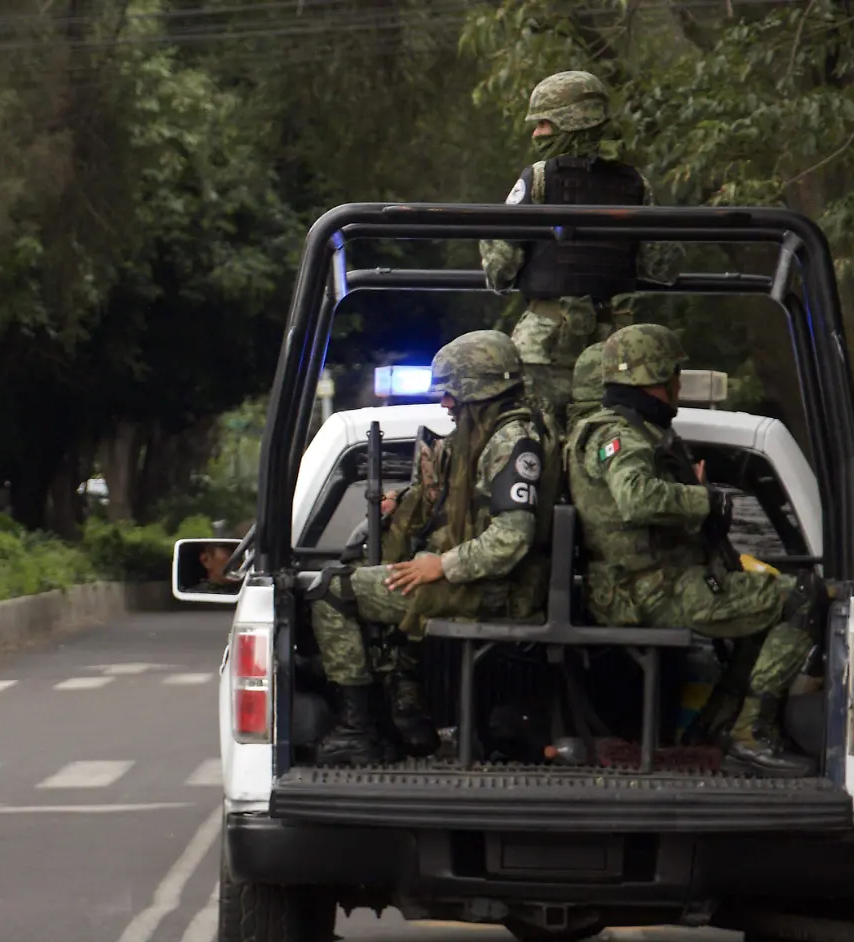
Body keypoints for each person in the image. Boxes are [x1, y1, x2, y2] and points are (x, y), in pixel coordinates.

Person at [566, 324, 819, 776]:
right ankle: (751, 734)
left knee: (764, 606)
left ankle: (716, 730)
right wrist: (707, 498)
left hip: (652, 584)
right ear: (655, 377)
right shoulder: (618, 435)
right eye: (675, 374)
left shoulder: (634, 430)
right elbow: (637, 497)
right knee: (803, 600)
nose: (679, 385)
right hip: (647, 591)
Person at [308, 331, 550, 765]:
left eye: (452, 394)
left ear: (478, 390)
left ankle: (359, 730)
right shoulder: (485, 436)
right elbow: (449, 502)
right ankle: (407, 720)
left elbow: (512, 537)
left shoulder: (512, 441)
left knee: (334, 591)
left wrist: (442, 565)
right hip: (485, 584)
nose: (445, 405)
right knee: (383, 582)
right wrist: (399, 506)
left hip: (494, 590)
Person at [479, 70, 680, 425]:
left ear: (567, 123)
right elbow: (663, 268)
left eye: (543, 123)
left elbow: (499, 270)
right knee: (608, 445)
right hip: (615, 351)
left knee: (534, 445)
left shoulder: (537, 179)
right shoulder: (634, 185)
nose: (536, 133)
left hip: (543, 347)